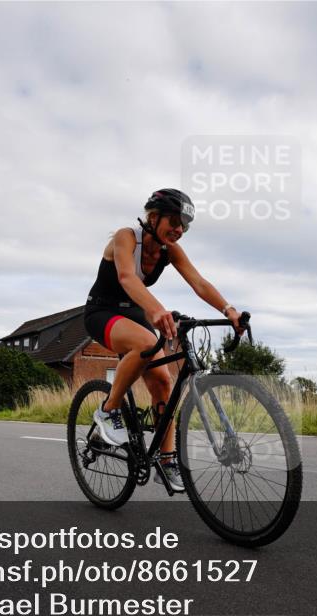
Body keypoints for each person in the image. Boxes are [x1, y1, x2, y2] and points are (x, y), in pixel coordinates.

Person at [82, 188, 244, 491]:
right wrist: (156, 309)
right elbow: (127, 277)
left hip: (135, 315)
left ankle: (167, 461)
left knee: (163, 381)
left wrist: (228, 309)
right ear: (153, 217)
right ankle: (107, 411)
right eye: (175, 221)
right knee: (145, 343)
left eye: (185, 225)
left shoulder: (170, 250)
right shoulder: (126, 236)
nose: (179, 230)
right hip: (102, 311)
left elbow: (198, 282)